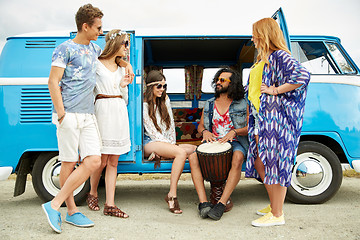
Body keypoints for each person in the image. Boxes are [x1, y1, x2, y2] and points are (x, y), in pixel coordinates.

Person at [42, 4, 132, 233]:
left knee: (92, 161)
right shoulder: (64, 49)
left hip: (89, 114)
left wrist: (126, 63)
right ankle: (71, 211)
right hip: (69, 114)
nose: (101, 32)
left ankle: (53, 204)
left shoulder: (93, 49)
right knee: (69, 162)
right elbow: (53, 81)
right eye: (98, 28)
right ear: (85, 26)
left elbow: (112, 59)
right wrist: (61, 113)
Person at [245, 18, 310, 227]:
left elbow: (302, 76)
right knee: (260, 162)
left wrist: (275, 90)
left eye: (255, 33)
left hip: (276, 122)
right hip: (260, 118)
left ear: (264, 34)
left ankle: (277, 214)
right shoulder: (263, 58)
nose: (252, 37)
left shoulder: (279, 56)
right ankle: (274, 204)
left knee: (275, 163)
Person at [188, 68, 249, 221]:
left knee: (237, 157)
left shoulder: (242, 104)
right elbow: (201, 126)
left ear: (232, 83)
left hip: (235, 142)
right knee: (193, 157)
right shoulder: (209, 104)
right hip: (213, 142)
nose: (218, 83)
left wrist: (235, 132)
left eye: (222, 80)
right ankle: (203, 203)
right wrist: (205, 133)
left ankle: (221, 204)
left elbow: (250, 128)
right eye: (217, 80)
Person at [86, 30, 133, 218]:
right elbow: (90, 90)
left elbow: (126, 98)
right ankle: (93, 192)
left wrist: (122, 86)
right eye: (125, 43)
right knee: (101, 160)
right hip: (103, 109)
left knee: (114, 161)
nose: (127, 47)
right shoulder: (96, 63)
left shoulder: (123, 68)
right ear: (116, 43)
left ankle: (110, 204)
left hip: (119, 110)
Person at [143, 70, 196, 214]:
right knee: (180, 153)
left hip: (164, 142)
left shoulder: (165, 100)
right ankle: (172, 195)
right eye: (159, 86)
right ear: (150, 87)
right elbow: (152, 131)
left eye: (164, 86)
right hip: (150, 142)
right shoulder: (144, 105)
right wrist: (172, 148)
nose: (162, 89)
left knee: (194, 150)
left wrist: (171, 145)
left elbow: (171, 126)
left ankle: (162, 154)